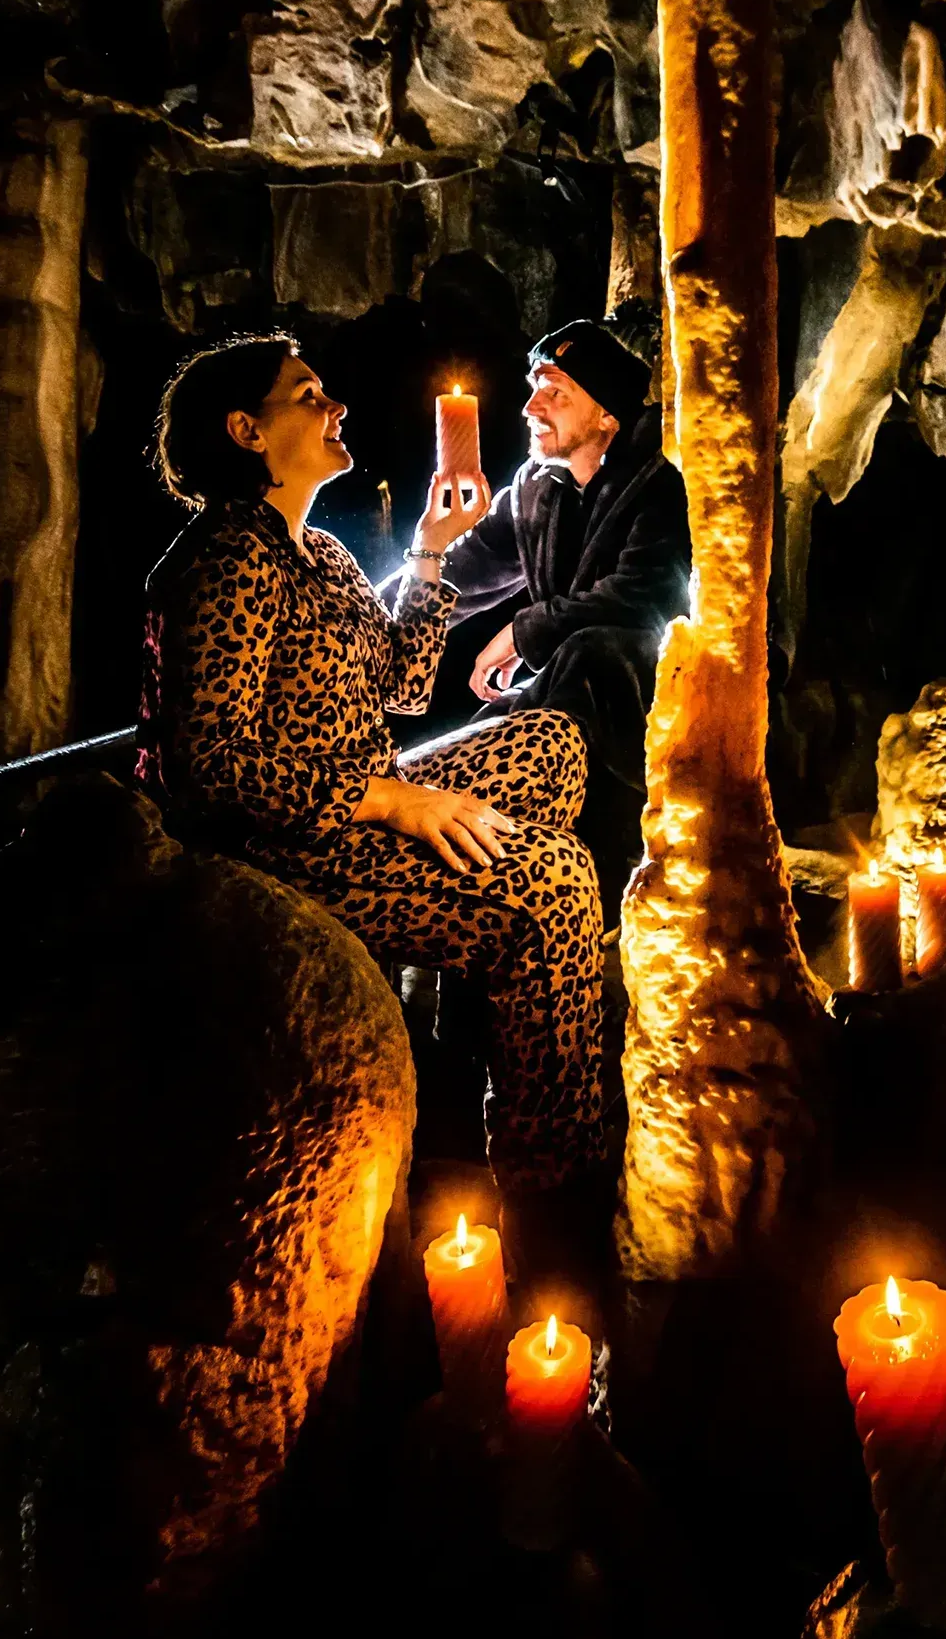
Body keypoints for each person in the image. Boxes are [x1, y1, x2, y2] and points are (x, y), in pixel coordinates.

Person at [135, 331, 607, 1205]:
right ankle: (556, 1181)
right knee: (553, 885)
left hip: (364, 799)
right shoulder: (228, 557)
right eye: (308, 394)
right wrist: (387, 801)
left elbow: (404, 685)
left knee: (548, 743)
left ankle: (488, 999)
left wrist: (430, 547)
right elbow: (208, 767)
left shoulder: (321, 554)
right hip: (284, 850)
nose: (336, 406)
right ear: (247, 430)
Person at [436, 318, 689, 901]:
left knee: (587, 652)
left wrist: (524, 632)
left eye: (555, 393)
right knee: (490, 736)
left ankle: (598, 875)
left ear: (606, 415)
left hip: (657, 687)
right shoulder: (536, 486)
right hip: (577, 683)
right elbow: (466, 566)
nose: (531, 407)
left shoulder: (661, 481)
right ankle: (478, 843)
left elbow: (646, 593)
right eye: (533, 388)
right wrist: (371, 608)